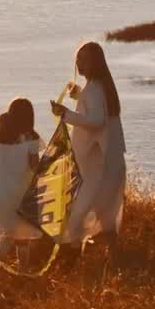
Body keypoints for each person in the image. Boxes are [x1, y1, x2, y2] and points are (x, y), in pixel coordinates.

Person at [51, 41, 126, 251]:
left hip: (95, 165)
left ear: (95, 62)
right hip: (105, 163)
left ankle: (73, 257)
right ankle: (111, 260)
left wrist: (65, 114)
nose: (79, 63)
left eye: (84, 59)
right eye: (77, 59)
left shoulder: (94, 89)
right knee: (105, 215)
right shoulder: (101, 87)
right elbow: (96, 111)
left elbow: (96, 120)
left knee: (76, 216)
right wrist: (79, 95)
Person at [0, 97, 43, 265]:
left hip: (3, 191)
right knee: (22, 235)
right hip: (23, 192)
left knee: (7, 231)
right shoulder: (32, 139)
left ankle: (1, 263)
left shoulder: (2, 136)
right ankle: (23, 269)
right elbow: (34, 166)